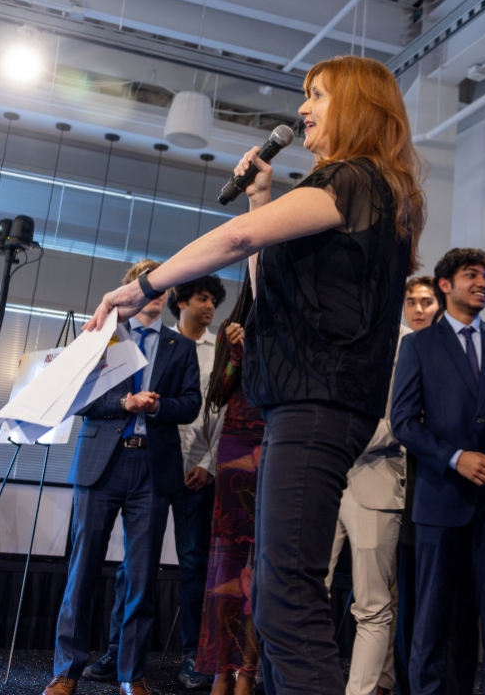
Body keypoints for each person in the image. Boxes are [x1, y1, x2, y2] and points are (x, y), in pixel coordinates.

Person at [83, 55, 426, 695]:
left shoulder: (354, 179)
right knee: (277, 590)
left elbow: (238, 239)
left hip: (318, 404)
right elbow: (275, 294)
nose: (303, 109)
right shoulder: (359, 191)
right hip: (305, 403)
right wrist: (266, 195)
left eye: (317, 95)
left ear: (356, 105)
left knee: (286, 595)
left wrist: (147, 286)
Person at [44, 260, 202, 695]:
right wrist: (125, 404)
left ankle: (132, 674)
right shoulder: (101, 336)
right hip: (101, 464)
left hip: (153, 468)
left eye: (160, 287)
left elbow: (190, 405)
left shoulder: (181, 346)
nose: (153, 293)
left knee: (142, 574)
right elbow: (79, 400)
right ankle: (66, 672)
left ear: (167, 294)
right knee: (82, 569)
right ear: (129, 290)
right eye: (144, 285)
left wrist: (155, 407)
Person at [391, 247, 485, 695]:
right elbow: (403, 422)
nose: (483, 283)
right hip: (440, 502)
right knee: (431, 618)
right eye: (472, 275)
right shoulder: (417, 345)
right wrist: (456, 457)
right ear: (445, 284)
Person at [86, 274, 228, 689]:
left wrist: (210, 463)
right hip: (151, 463)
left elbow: (213, 410)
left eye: (212, 300)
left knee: (192, 563)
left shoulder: (214, 348)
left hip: (193, 470)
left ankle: (192, 655)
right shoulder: (135, 339)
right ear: (178, 301)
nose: (209, 306)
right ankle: (119, 651)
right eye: (200, 297)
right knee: (134, 566)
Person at [325, 322, 412, 695]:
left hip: (375, 476)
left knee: (373, 603)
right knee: (304, 594)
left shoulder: (407, 341)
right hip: (321, 475)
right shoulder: (328, 328)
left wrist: (336, 439)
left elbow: (402, 420)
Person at [196, 274, 264, 695]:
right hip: (237, 445)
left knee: (262, 567)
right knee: (227, 564)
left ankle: (249, 673)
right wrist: (236, 354)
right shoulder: (231, 328)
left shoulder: (293, 324)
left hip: (277, 442)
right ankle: (222, 668)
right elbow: (217, 395)